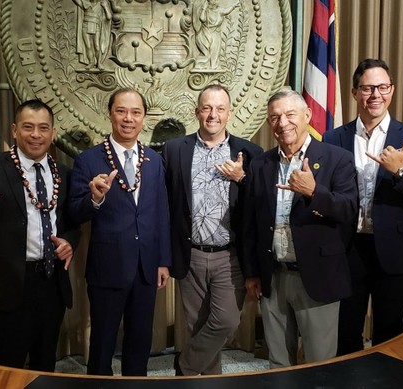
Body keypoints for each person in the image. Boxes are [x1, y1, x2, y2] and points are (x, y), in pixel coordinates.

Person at [0, 99, 77, 372]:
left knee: (46, 361)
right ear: (14, 130)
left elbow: (70, 222)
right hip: (8, 285)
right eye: (28, 127)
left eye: (43, 128)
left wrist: (68, 242)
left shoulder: (64, 174)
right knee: (9, 366)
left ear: (52, 133)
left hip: (50, 280)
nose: (36, 134)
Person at [324, 59, 403, 355]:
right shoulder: (334, 139)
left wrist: (400, 171)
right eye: (367, 88)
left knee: (388, 334)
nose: (375, 94)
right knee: (345, 331)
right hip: (349, 248)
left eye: (382, 87)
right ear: (354, 92)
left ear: (392, 90)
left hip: (396, 249)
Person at [242, 89, 358, 367]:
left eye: (289, 114)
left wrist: (314, 192)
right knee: (278, 362)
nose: (282, 123)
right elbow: (250, 223)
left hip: (319, 276)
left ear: (307, 115)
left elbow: (349, 211)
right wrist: (252, 273)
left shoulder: (337, 158)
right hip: (273, 277)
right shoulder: (260, 164)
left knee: (320, 363)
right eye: (274, 117)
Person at [68, 88, 171, 376]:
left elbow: (161, 212)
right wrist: (95, 198)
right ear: (110, 114)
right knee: (102, 342)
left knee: (140, 340)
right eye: (121, 111)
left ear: (144, 118)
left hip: (146, 266)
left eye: (136, 112)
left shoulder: (154, 160)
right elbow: (75, 212)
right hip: (108, 266)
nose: (129, 118)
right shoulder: (88, 160)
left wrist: (162, 260)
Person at [164, 84, 262, 375]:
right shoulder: (174, 150)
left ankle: (184, 367)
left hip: (229, 256)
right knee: (197, 327)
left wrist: (243, 177)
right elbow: (166, 201)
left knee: (225, 321)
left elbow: (260, 203)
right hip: (190, 252)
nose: (213, 115)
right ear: (197, 112)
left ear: (229, 113)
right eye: (207, 108)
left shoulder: (250, 152)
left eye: (220, 109)